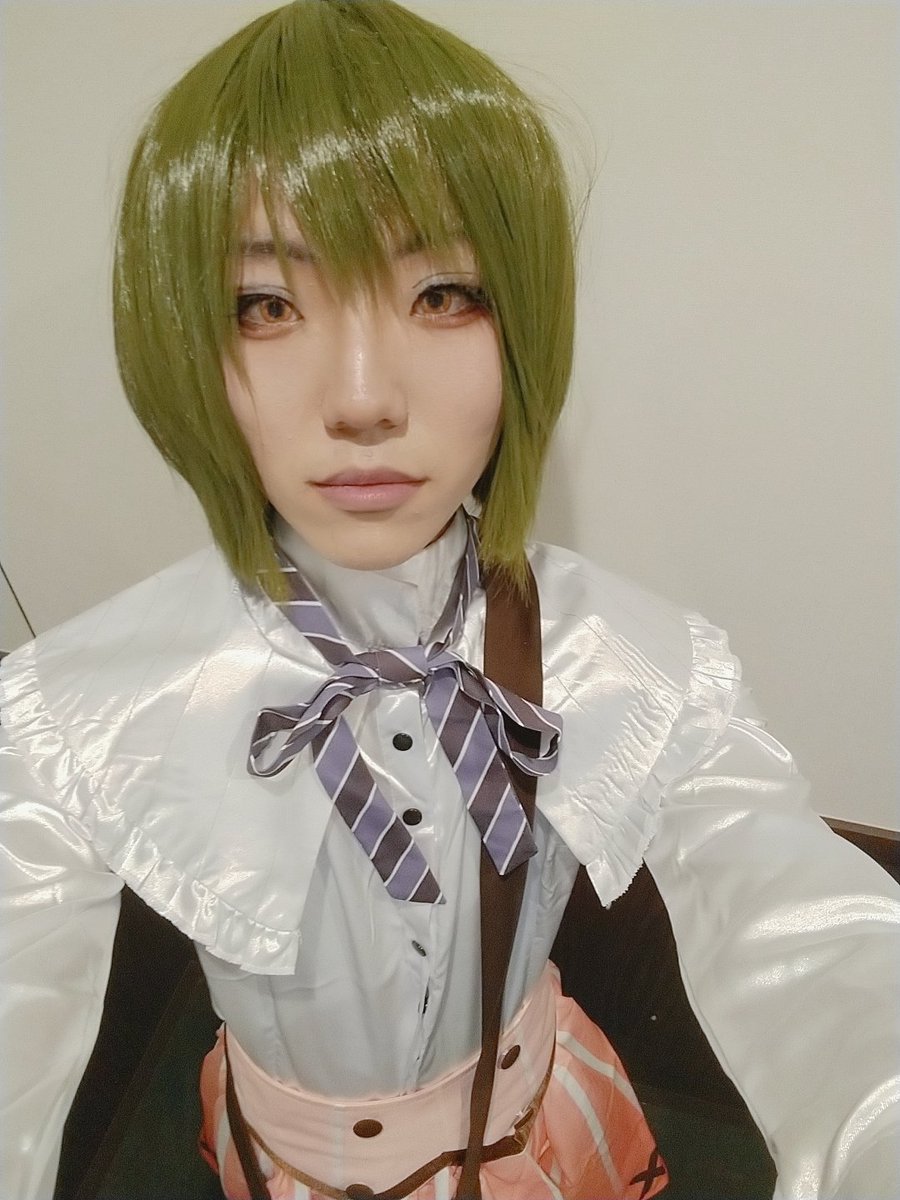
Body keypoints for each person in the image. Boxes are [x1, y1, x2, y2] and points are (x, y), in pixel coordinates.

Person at [1, 2, 898, 1198]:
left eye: (442, 296)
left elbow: (825, 949)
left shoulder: (634, 659)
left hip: (539, 1140)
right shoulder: (77, 710)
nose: (363, 398)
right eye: (265, 305)